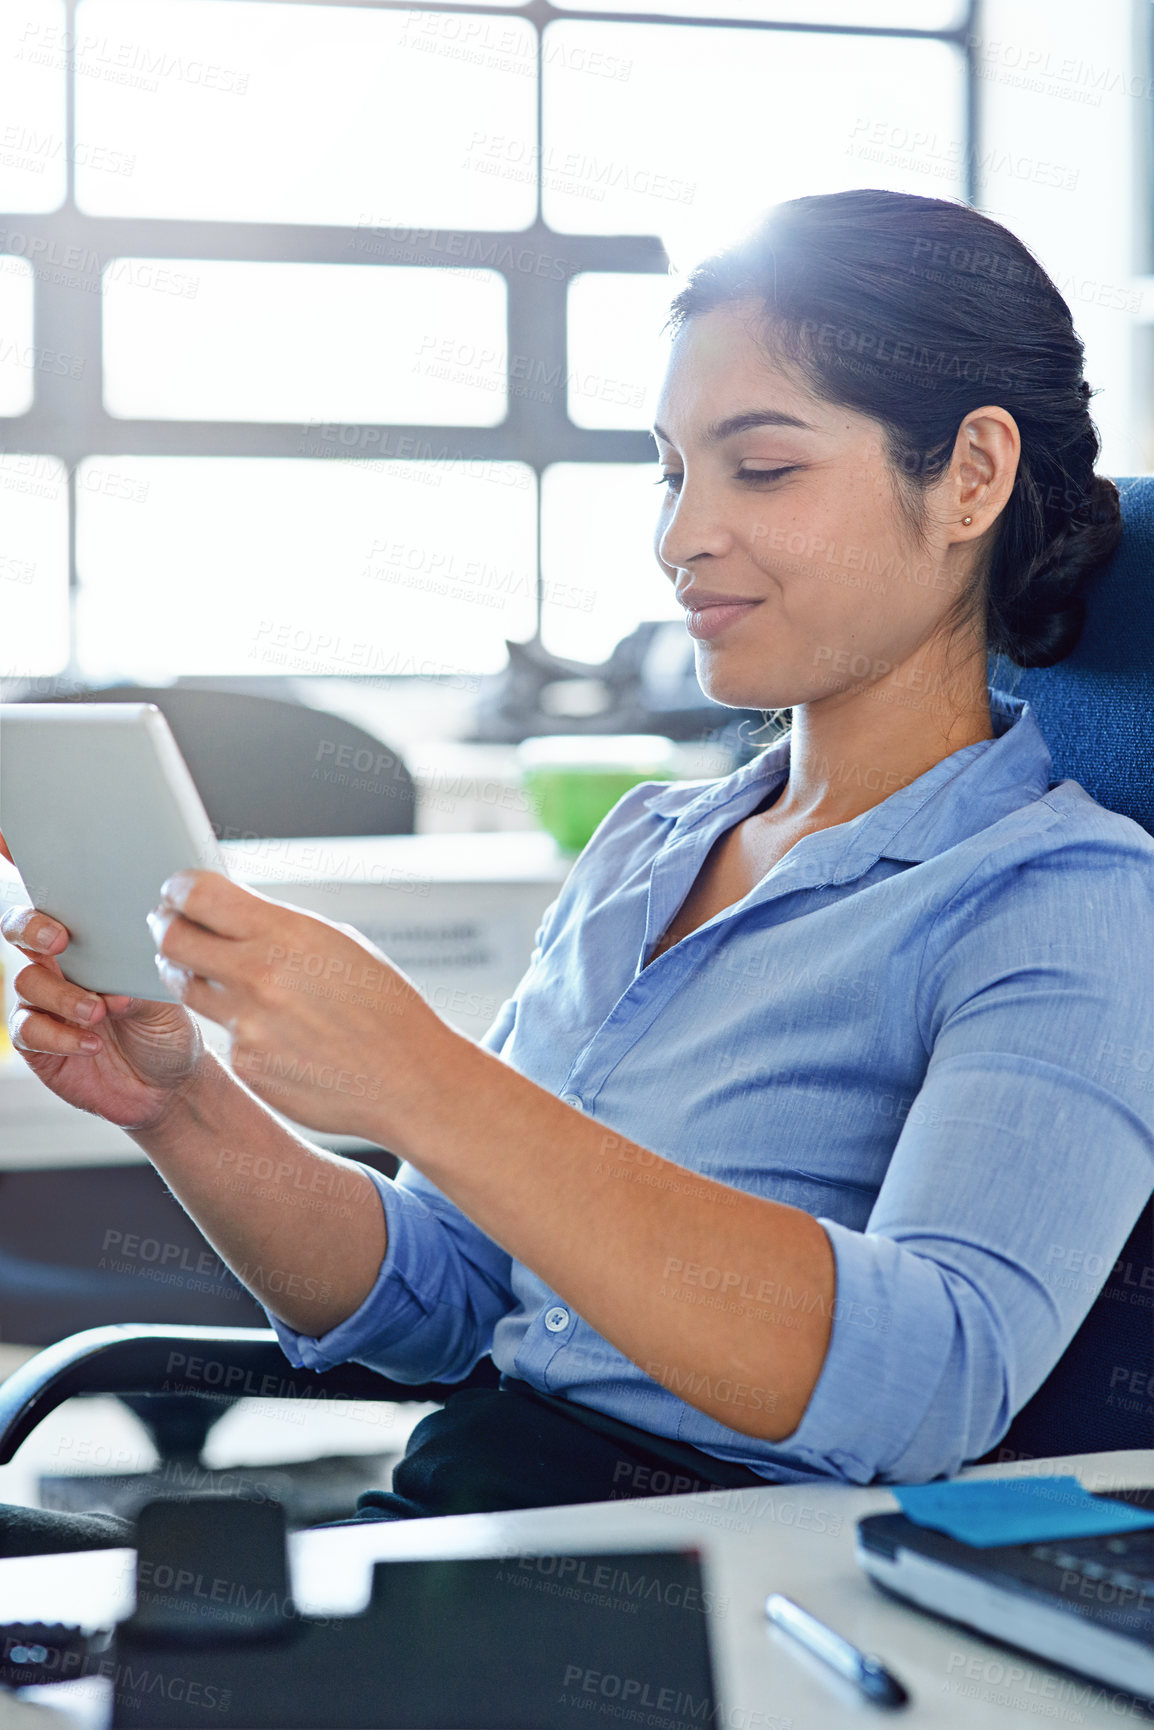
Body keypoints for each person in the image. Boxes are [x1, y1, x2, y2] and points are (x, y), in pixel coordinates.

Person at [3, 189, 1153, 1556]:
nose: (678, 537)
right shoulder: (649, 847)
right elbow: (443, 1297)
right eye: (670, 471)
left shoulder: (1064, 896)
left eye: (761, 469)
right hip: (462, 1528)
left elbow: (931, 1385)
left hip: (715, 1585)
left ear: (969, 473)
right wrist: (183, 1104)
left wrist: (423, 1077)